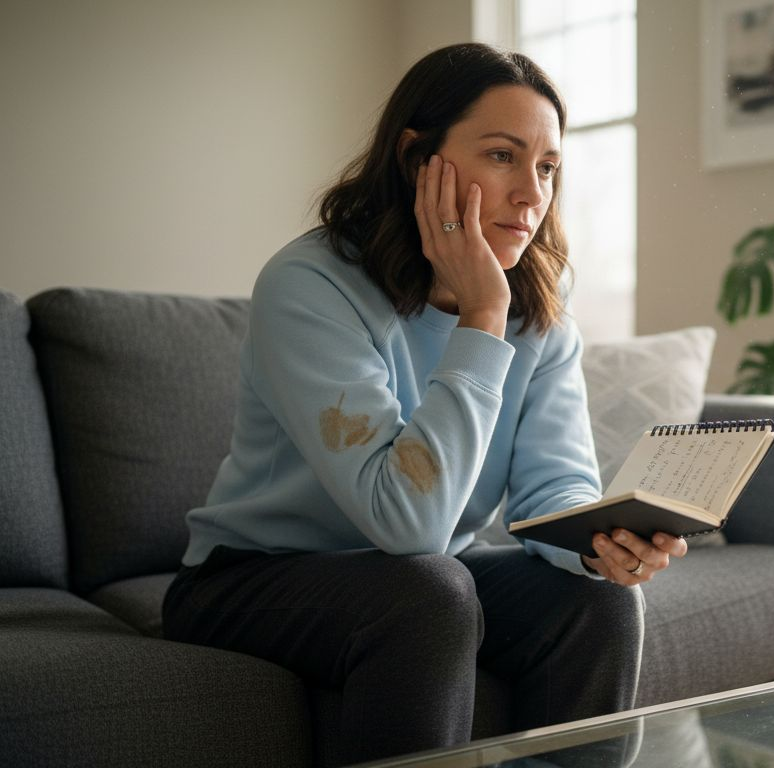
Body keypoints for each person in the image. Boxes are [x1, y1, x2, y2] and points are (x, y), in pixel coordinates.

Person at [162, 42, 687, 765]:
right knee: (429, 590)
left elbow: (552, 490)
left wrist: (601, 547)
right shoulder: (310, 286)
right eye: (502, 156)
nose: (531, 194)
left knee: (599, 601)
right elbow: (407, 523)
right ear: (417, 159)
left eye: (547, 167)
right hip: (251, 578)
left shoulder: (538, 301)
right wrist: (481, 318)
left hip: (425, 572)